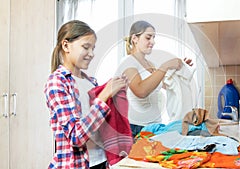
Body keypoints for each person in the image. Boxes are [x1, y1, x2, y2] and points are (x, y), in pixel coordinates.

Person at [44, 20, 127, 169]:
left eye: (93, 48)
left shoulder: (91, 82)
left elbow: (102, 127)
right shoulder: (57, 83)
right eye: (86, 47)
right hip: (78, 165)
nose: (92, 54)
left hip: (103, 161)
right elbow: (76, 137)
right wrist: (105, 95)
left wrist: (115, 96)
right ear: (66, 45)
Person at [115, 20, 193, 138]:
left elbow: (165, 85)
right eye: (148, 37)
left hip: (156, 126)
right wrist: (165, 66)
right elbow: (141, 91)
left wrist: (178, 71)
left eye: (154, 38)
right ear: (135, 38)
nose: (153, 42)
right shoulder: (127, 62)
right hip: (136, 128)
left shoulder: (150, 64)